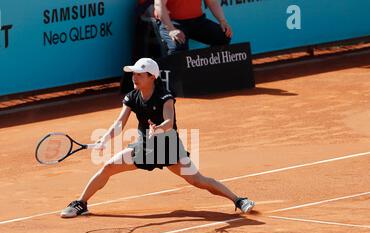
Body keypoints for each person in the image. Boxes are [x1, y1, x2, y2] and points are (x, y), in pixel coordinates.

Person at [61, 58, 255, 218]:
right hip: (144, 147)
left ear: (152, 77)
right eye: (133, 74)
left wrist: (160, 129)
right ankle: (81, 203)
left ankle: (239, 200)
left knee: (198, 180)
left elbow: (169, 121)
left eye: (139, 74)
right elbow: (120, 122)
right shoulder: (131, 97)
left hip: (168, 147)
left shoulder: (165, 96)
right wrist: (104, 139)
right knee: (108, 167)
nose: (134, 77)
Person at [154, 0, 233, 56]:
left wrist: (223, 21)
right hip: (172, 23)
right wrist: (171, 29)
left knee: (224, 35)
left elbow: (212, 1)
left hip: (198, 21)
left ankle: (209, 66)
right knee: (177, 46)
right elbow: (159, 4)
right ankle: (178, 78)